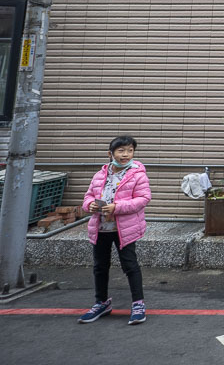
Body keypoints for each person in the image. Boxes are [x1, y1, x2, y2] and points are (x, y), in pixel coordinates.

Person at [78, 135, 152, 325]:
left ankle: (138, 304)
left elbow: (143, 199)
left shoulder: (138, 174)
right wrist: (91, 205)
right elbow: (87, 197)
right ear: (110, 153)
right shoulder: (100, 174)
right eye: (121, 151)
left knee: (130, 265)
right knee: (100, 266)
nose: (126, 154)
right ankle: (101, 303)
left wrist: (116, 207)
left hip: (124, 229)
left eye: (129, 150)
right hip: (101, 227)